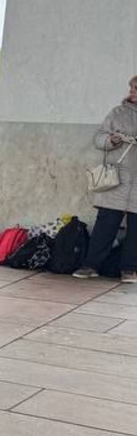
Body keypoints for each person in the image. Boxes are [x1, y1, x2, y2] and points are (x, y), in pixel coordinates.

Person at [73, 76, 137, 282]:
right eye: (132, 87)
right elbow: (98, 139)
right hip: (116, 177)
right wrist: (112, 140)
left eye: (136, 88)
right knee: (106, 223)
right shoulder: (117, 113)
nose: (132, 91)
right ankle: (91, 265)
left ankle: (129, 269)